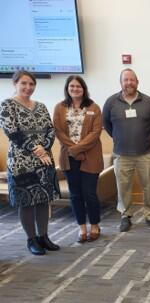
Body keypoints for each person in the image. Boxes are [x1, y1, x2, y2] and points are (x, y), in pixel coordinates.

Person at [0, 71, 60, 255]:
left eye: (31, 84)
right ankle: (31, 239)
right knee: (26, 201)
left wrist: (44, 147)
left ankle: (43, 236)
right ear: (15, 84)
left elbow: (51, 129)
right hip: (21, 162)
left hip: (44, 161)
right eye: (24, 83)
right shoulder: (7, 105)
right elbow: (12, 132)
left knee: (43, 199)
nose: (28, 87)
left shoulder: (41, 106)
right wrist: (37, 149)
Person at [102, 68, 150, 232]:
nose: (129, 83)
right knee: (123, 186)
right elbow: (107, 124)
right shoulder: (111, 102)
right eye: (125, 80)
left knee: (148, 185)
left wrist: (146, 138)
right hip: (121, 153)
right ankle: (125, 215)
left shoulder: (148, 101)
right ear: (120, 83)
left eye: (132, 80)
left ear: (137, 81)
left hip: (145, 152)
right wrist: (119, 138)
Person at [53, 76, 103, 243]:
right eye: (72, 86)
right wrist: (74, 150)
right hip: (68, 157)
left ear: (84, 88)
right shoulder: (60, 108)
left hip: (91, 156)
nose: (75, 89)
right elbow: (59, 132)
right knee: (75, 195)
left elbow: (95, 133)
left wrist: (78, 149)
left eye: (78, 86)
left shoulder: (93, 107)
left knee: (90, 193)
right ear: (67, 88)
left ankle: (95, 225)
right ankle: (81, 227)